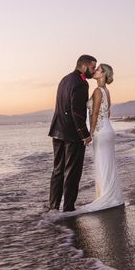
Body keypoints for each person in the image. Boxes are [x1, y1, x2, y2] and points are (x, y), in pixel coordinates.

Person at [48, 55, 97, 212]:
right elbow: (77, 112)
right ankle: (68, 208)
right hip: (72, 134)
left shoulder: (65, 79)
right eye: (92, 67)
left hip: (57, 130)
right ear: (83, 67)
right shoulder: (81, 83)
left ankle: (53, 207)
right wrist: (84, 134)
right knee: (72, 172)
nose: (93, 70)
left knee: (58, 170)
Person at [74, 63, 124, 214]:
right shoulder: (106, 91)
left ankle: (106, 197)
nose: (94, 71)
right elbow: (107, 113)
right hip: (107, 129)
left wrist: (89, 134)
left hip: (101, 132)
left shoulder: (97, 91)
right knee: (107, 164)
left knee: (102, 165)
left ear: (103, 74)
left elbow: (95, 114)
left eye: (97, 70)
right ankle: (110, 196)